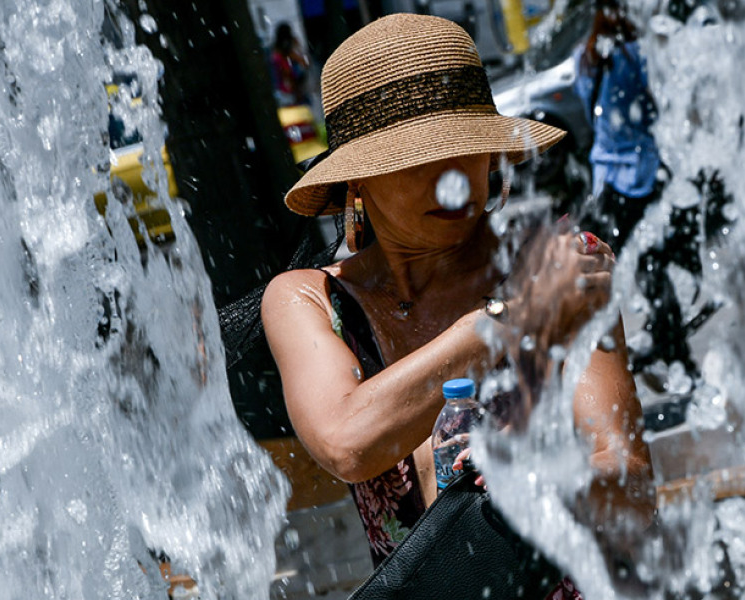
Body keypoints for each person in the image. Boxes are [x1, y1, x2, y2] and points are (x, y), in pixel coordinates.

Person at [260, 13, 654, 598]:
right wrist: (506, 322)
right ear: (358, 180)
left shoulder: (562, 265)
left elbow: (631, 485)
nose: (450, 181)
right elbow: (347, 440)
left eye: (466, 149)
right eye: (416, 159)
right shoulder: (308, 299)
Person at [573, 0, 665, 256]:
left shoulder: (583, 58)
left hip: (604, 177)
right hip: (643, 176)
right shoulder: (637, 53)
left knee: (614, 259)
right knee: (651, 258)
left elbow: (591, 116)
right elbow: (661, 109)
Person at [269, 22, 309, 107]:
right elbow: (287, 70)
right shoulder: (280, 54)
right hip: (288, 89)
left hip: (293, 87)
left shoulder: (282, 52)